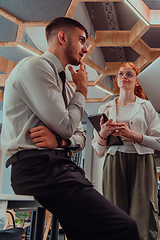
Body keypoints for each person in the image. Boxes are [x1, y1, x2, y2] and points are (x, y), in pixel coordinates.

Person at [1, 17, 140, 240]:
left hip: (59, 165)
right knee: (125, 228)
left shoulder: (65, 84)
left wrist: (61, 142)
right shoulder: (36, 66)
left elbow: (80, 137)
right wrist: (82, 89)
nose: (85, 49)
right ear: (62, 37)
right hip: (38, 168)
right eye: (82, 40)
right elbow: (67, 126)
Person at [91, 62, 160, 240]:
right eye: (121, 74)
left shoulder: (146, 106)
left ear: (137, 81)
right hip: (114, 160)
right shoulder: (104, 109)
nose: (124, 77)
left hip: (142, 162)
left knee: (144, 213)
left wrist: (130, 134)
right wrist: (103, 133)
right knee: (115, 211)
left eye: (129, 74)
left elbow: (159, 143)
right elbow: (98, 150)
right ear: (117, 79)